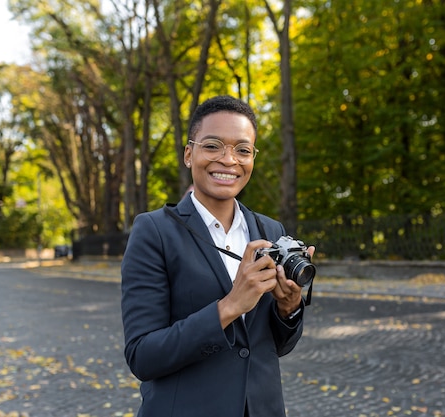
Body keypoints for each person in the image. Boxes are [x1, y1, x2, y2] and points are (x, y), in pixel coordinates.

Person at [121, 95, 314, 417]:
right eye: (212, 146)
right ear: (189, 153)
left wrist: (288, 307)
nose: (229, 160)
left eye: (242, 149)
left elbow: (275, 347)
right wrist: (229, 307)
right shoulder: (153, 230)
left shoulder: (270, 229)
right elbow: (143, 356)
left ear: (252, 157)